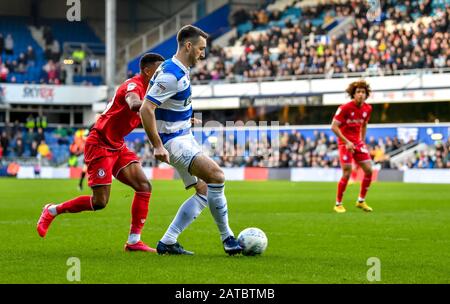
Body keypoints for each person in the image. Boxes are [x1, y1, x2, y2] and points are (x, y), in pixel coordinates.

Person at [36, 53, 165, 252]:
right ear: (148, 71)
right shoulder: (134, 86)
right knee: (100, 202)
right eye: (159, 70)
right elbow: (133, 104)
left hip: (117, 145)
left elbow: (150, 112)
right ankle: (52, 210)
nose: (162, 75)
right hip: (99, 143)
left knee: (144, 186)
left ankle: (133, 241)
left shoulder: (151, 91)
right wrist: (154, 106)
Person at [140, 25, 242, 255]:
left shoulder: (178, 68)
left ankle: (167, 242)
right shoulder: (170, 74)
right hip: (173, 141)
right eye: (200, 48)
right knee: (216, 175)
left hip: (183, 133)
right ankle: (228, 239)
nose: (203, 54)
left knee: (204, 190)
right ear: (188, 46)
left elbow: (166, 103)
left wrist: (185, 119)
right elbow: (146, 109)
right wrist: (157, 144)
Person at [331, 79, 374, 213]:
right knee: (347, 172)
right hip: (345, 143)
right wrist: (346, 141)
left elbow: (364, 124)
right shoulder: (344, 108)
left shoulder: (368, 108)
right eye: (358, 92)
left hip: (357, 142)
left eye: (363, 92)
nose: (361, 94)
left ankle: (361, 201)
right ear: (353, 94)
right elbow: (334, 127)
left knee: (369, 170)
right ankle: (338, 203)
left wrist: (362, 140)